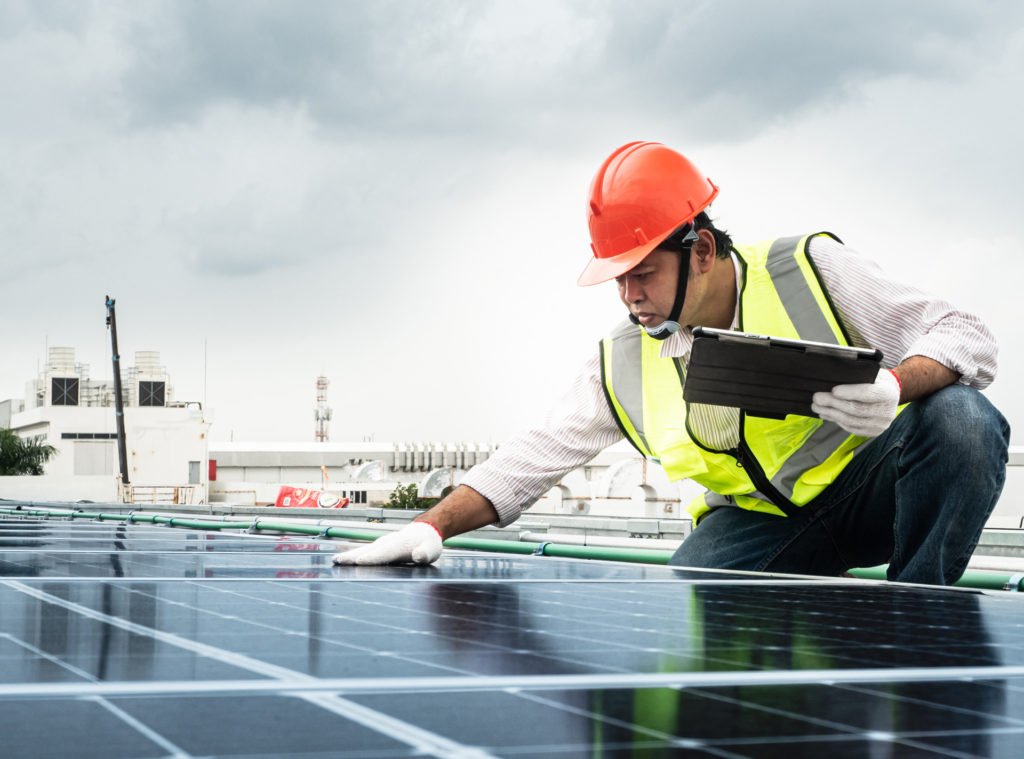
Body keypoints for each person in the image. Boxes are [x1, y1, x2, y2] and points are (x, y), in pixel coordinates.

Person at [334, 141, 1010, 585]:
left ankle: (918, 614)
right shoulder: (623, 361)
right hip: (754, 529)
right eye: (617, 278)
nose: (628, 295)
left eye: (642, 273)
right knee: (689, 647)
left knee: (962, 418)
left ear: (704, 250)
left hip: (869, 494)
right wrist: (431, 523)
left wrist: (894, 384)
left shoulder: (810, 269)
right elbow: (532, 457)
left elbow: (967, 335)